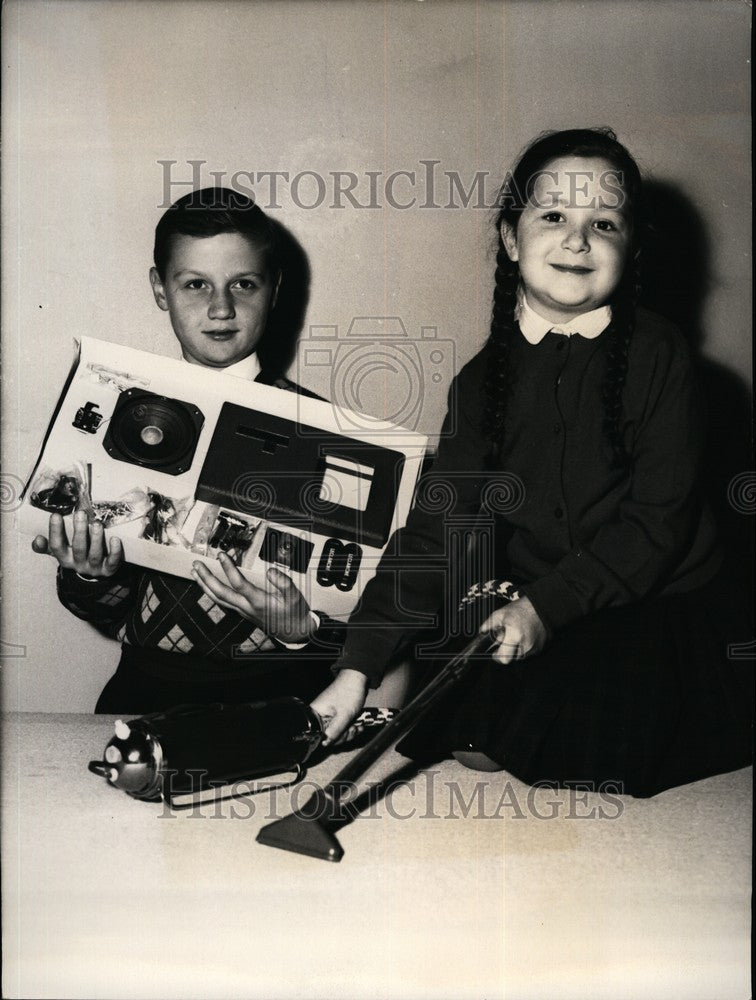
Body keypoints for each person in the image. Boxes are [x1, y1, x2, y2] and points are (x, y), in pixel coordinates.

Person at [312, 128, 753, 797]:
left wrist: (542, 611)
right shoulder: (479, 381)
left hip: (656, 606)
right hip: (544, 603)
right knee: (471, 741)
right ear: (512, 239)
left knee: (593, 751)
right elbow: (438, 531)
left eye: (603, 222)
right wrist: (358, 666)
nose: (577, 240)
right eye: (553, 216)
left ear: (630, 248)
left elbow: (656, 526)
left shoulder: (660, 358)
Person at [32, 188, 348, 713]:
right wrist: (90, 572)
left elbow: (369, 610)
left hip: (283, 695)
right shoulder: (117, 418)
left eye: (243, 284)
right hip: (150, 692)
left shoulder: (326, 435)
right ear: (161, 289)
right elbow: (108, 609)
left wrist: (306, 629)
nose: (221, 308)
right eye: (195, 284)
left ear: (274, 290)